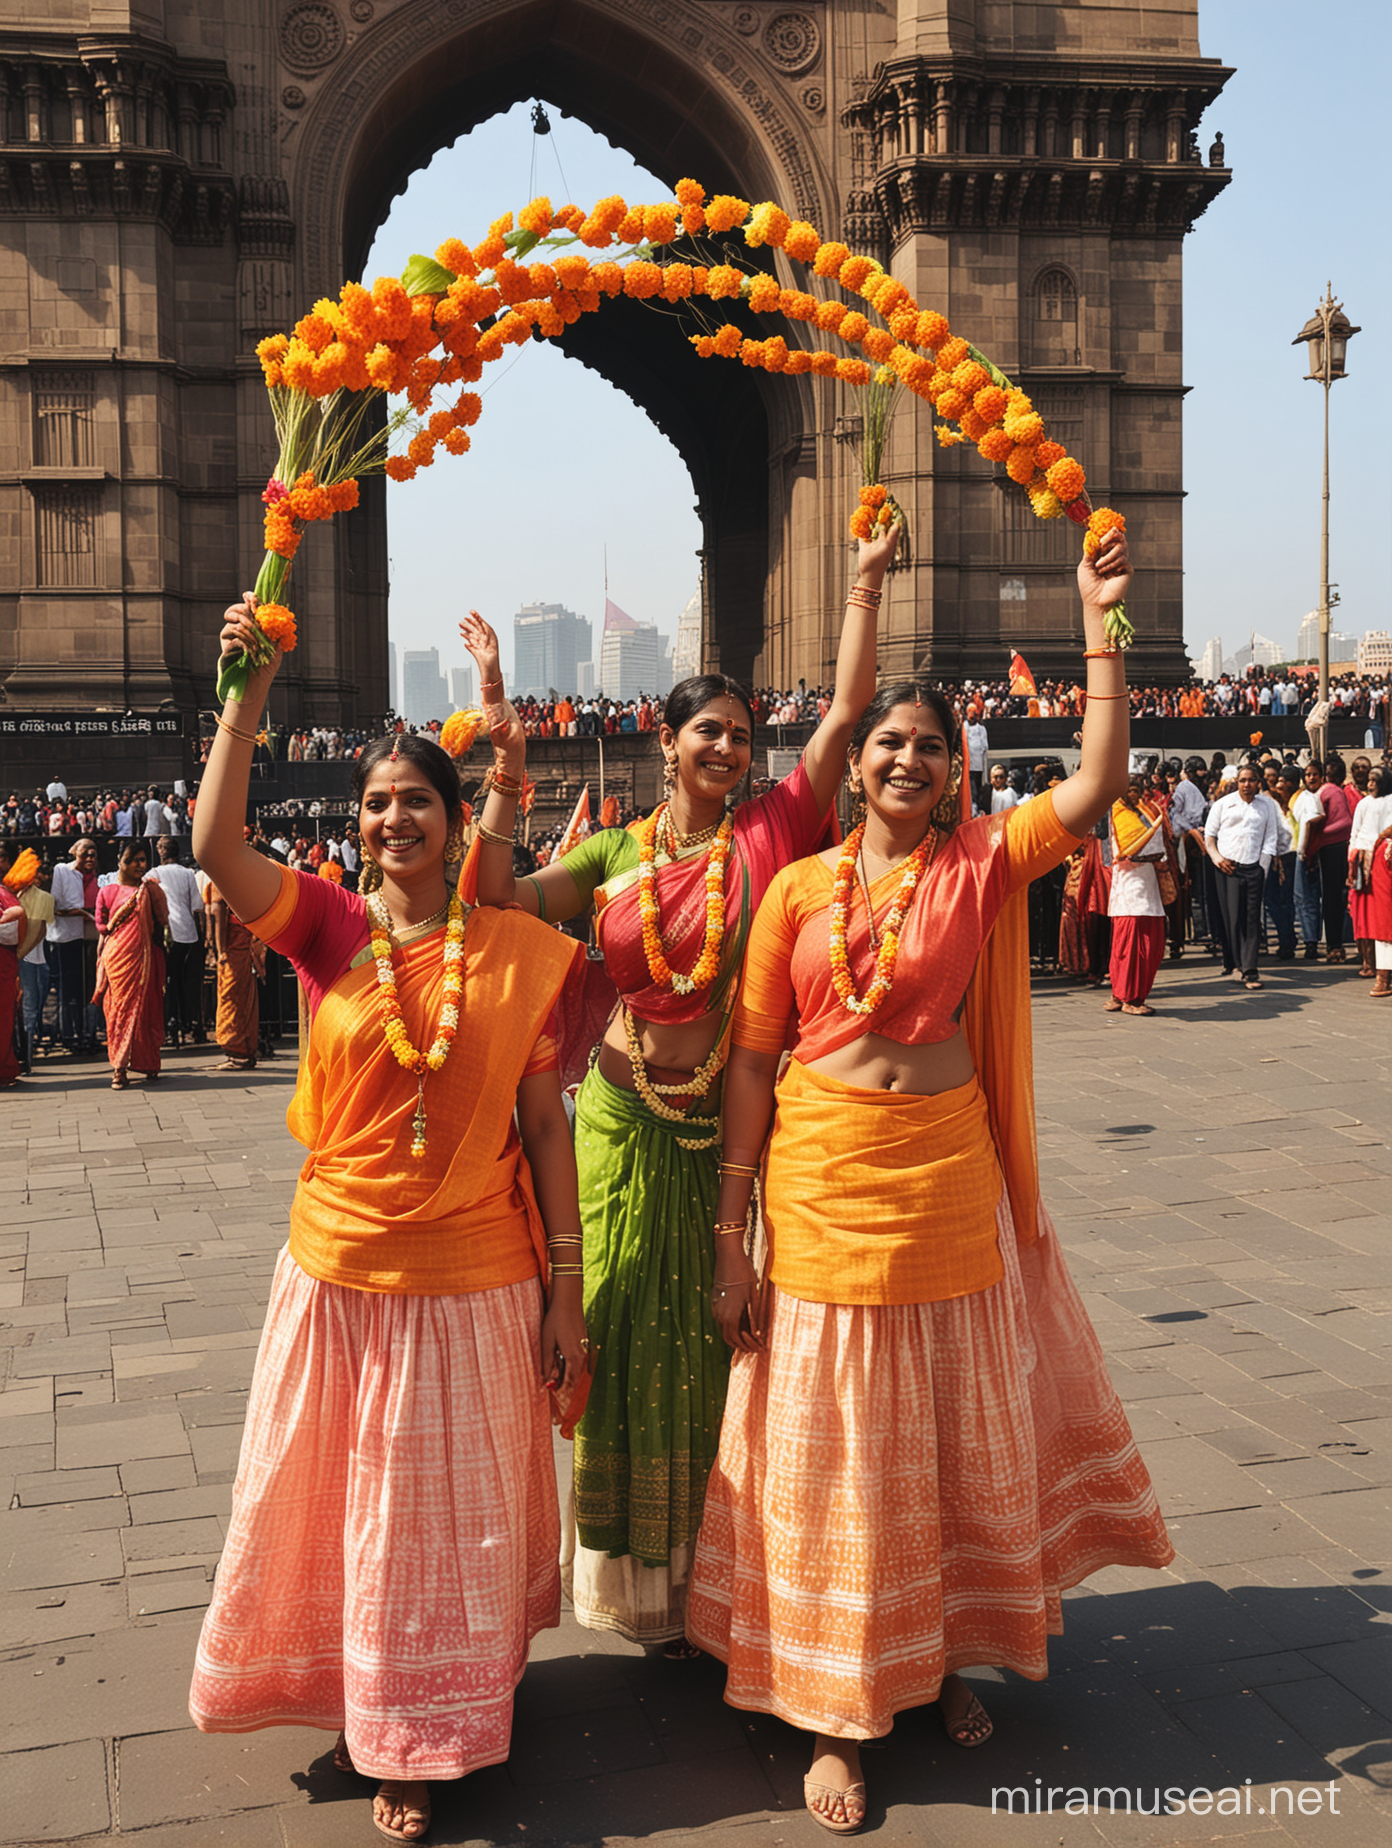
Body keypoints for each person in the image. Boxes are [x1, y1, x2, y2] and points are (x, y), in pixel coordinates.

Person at [685, 523, 1172, 1835]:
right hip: (825, 1188)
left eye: (931, 746)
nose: (906, 757)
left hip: (948, 1184)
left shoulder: (979, 863)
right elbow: (748, 1072)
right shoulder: (793, 894)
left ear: (958, 775)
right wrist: (732, 1240)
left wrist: (1100, 625)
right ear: (856, 769)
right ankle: (831, 1709)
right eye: (887, 742)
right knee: (837, 1452)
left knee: (945, 1438)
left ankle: (940, 1651)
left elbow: (1095, 785)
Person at [188, 593, 589, 1846]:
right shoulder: (329, 931)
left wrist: (566, 1293)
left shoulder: (509, 950)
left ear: (456, 823)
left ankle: (446, 1708)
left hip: (477, 1273)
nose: (394, 816)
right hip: (344, 1270)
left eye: (419, 799)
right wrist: (247, 693)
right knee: (353, 1504)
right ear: (355, 829)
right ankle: (386, 1725)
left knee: (443, 1511)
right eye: (375, 803)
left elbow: (545, 1130)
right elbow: (213, 838)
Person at [463, 526, 900, 1653]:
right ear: (665, 740)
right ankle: (632, 1583)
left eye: (745, 738)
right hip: (612, 1117)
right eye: (710, 730)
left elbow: (845, 718)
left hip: (716, 1127)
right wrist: (506, 764)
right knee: (607, 1326)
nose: (730, 749)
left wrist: (861, 584)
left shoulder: (772, 830)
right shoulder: (612, 855)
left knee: (713, 1340)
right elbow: (496, 898)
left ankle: (718, 1584)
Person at [93, 842, 169, 1088]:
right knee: (118, 1012)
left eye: (143, 860)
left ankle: (148, 1063)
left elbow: (163, 921)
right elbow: (101, 924)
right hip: (117, 961)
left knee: (145, 1011)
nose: (140, 865)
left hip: (145, 959)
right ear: (120, 860)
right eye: (133, 860)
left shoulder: (151, 890)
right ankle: (119, 1068)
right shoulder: (106, 892)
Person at [1205, 764, 1279, 990]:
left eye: (1252, 780)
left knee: (1251, 919)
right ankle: (1232, 961)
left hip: (1253, 867)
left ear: (1259, 782)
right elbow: (1209, 836)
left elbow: (1270, 838)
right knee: (1231, 917)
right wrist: (1218, 859)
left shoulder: (1266, 806)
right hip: (1228, 868)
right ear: (1237, 782)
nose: (1247, 785)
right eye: (1243, 780)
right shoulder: (1223, 804)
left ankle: (1250, 970)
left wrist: (1262, 869)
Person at [1106, 778, 1168, 1016]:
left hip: (1147, 884)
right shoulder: (1117, 814)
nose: (1134, 796)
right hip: (1129, 887)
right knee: (1129, 945)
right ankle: (1128, 997)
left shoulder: (1142, 812)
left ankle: (1126, 994)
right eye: (1129, 791)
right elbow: (1127, 851)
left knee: (1146, 946)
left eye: (1137, 791)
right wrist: (1154, 831)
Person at [151, 837, 206, 1046]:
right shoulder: (188, 873)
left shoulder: (154, 873)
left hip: (167, 930)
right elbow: (196, 906)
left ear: (163, 851)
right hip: (187, 931)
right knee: (181, 979)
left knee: (168, 979)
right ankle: (185, 1020)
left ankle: (171, 1020)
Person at [49, 838, 100, 1054]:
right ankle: (67, 1034)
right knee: (66, 990)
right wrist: (81, 913)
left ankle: (84, 1032)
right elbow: (56, 905)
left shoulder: (93, 879)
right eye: (85, 854)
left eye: (93, 854)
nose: (89, 858)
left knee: (84, 988)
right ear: (74, 853)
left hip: (84, 938)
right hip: (63, 937)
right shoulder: (62, 870)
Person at [1305, 755, 1355, 963]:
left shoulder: (1330, 792)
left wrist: (1313, 846)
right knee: (1330, 899)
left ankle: (1335, 944)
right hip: (1326, 850)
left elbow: (1343, 823)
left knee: (1333, 898)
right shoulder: (1320, 794)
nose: (1311, 778)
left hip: (1332, 850)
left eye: (1315, 775)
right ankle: (1332, 943)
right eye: (1308, 775)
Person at [1349, 765, 1392, 985]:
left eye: (1376, 779)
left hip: (1385, 860)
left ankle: (1384, 971)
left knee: (1385, 916)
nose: (1371, 783)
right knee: (1365, 915)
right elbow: (1355, 834)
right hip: (1363, 862)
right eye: (1370, 779)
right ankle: (1369, 963)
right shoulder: (1363, 804)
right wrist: (1352, 862)